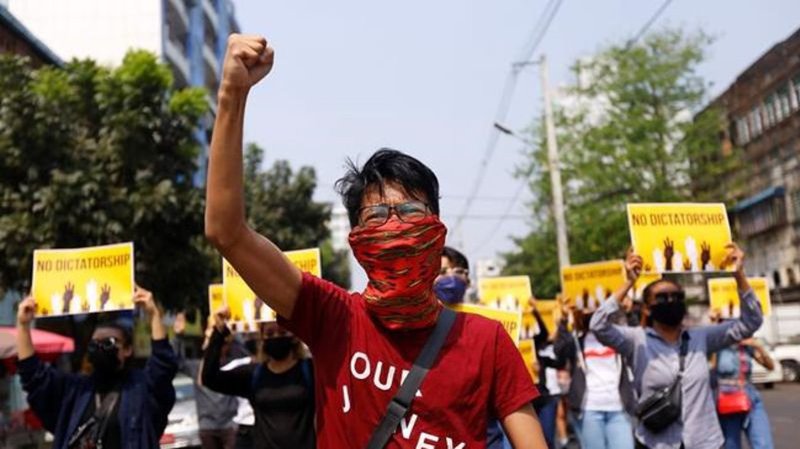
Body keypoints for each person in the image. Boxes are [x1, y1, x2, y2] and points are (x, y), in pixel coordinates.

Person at [205, 33, 546, 448]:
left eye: (411, 211)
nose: (395, 226)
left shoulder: (487, 340)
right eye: (377, 216)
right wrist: (232, 95)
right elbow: (226, 232)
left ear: (437, 229)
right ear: (357, 240)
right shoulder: (332, 317)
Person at [590, 244, 763, 449]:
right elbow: (598, 325)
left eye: (678, 297)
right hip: (656, 443)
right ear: (647, 308)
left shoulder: (700, 337)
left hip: (704, 442)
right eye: (662, 298)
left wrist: (739, 275)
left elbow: (751, 322)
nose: (671, 301)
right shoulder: (636, 340)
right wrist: (629, 282)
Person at [16, 287, 177, 449]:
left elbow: (162, 368)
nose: (101, 347)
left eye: (109, 342)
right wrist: (23, 325)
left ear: (127, 349)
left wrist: (154, 315)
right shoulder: (74, 392)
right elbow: (35, 378)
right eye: (95, 343)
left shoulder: (140, 389)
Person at [201, 311, 315, 449]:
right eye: (270, 333)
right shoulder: (254, 375)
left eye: (282, 332)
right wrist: (218, 333)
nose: (276, 337)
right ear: (262, 337)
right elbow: (209, 378)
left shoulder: (311, 370)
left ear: (295, 336)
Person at [554, 293, 635, 449]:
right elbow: (559, 351)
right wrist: (563, 320)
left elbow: (637, 338)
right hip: (589, 410)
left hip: (618, 409)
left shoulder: (617, 336)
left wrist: (629, 313)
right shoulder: (577, 341)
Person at [172, 314, 240, 449]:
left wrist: (230, 329)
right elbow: (175, 362)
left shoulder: (234, 363)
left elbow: (248, 354)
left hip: (231, 425)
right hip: (207, 426)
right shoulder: (197, 366)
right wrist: (178, 337)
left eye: (223, 343)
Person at [710, 311, 775, 449]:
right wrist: (714, 326)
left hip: (751, 397)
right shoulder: (718, 347)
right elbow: (712, 366)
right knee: (731, 444)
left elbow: (770, 366)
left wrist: (758, 346)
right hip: (727, 399)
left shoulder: (746, 346)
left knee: (764, 444)